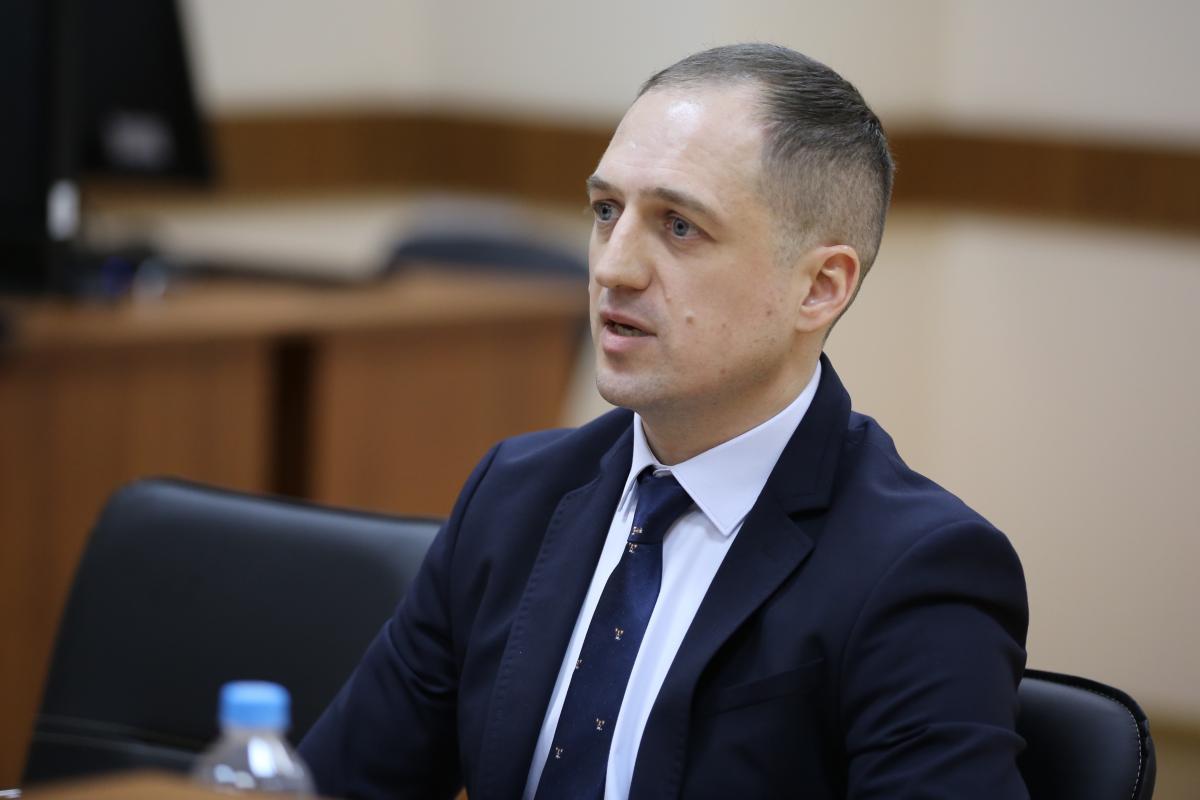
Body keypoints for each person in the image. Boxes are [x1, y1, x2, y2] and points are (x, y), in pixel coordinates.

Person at [299, 43, 1029, 799]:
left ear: (819, 287)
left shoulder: (917, 568)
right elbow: (338, 785)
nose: (612, 268)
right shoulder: (514, 496)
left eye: (679, 227)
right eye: (606, 211)